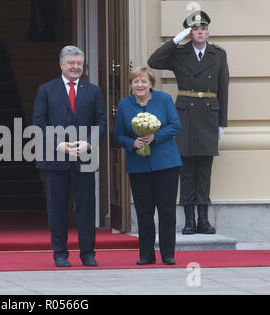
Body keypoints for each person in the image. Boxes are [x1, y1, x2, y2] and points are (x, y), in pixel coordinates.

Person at [148, 10, 229, 235]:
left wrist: (222, 123)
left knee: (204, 170)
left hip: (208, 115)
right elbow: (153, 61)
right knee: (185, 170)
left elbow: (224, 89)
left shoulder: (218, 55)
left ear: (208, 31)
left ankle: (204, 219)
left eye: (203, 29)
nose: (200, 32)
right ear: (189, 33)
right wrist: (174, 41)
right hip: (185, 114)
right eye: (195, 29)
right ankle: (189, 220)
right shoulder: (180, 53)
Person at [33, 46, 107, 267]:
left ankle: (87, 253)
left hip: (84, 158)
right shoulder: (46, 90)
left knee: (86, 207)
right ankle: (60, 253)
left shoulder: (93, 90)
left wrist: (90, 143)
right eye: (71, 63)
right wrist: (58, 144)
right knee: (57, 208)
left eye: (79, 64)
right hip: (56, 158)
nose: (76, 67)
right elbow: (39, 123)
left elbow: (101, 121)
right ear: (61, 64)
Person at [114, 66, 182, 265]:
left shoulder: (164, 99)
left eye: (144, 81)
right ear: (131, 84)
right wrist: (131, 143)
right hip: (138, 165)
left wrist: (155, 137)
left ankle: (168, 254)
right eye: (136, 81)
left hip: (166, 163)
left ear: (151, 83)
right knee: (144, 211)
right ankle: (146, 254)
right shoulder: (125, 105)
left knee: (166, 210)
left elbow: (175, 126)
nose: (140, 85)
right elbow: (118, 134)